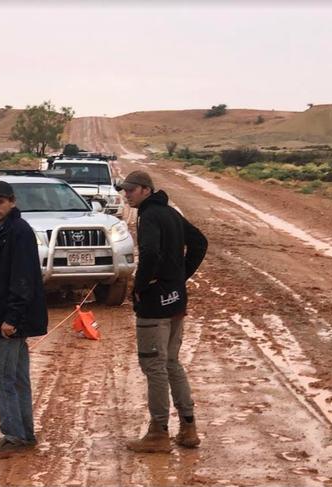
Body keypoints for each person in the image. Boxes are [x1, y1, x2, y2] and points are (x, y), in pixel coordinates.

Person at [119, 170, 208, 453]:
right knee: (171, 363)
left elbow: (150, 253)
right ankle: (188, 428)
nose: (126, 194)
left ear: (146, 190)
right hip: (176, 300)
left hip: (156, 304)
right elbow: (199, 242)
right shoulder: (170, 213)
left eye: (131, 190)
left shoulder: (149, 216)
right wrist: (179, 278)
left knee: (154, 367)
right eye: (124, 190)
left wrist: (140, 287)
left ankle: (158, 432)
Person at [0, 180, 48, 460]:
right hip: (9, 317)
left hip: (10, 321)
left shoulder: (18, 232)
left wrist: (11, 318)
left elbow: (23, 279)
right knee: (17, 378)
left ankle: (13, 435)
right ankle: (24, 434)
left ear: (12, 201)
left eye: (0, 203)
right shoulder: (7, 230)